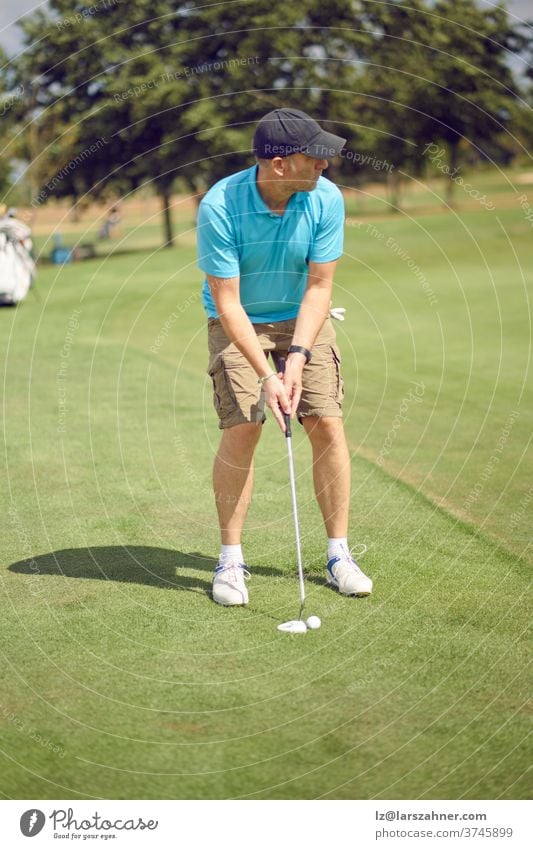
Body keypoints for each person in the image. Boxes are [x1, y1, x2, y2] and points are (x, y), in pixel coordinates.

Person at [197, 108, 373, 606]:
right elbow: (227, 303)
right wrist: (266, 377)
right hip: (239, 322)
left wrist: (294, 361)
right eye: (314, 156)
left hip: (303, 317)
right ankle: (230, 560)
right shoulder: (220, 207)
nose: (325, 165)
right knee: (244, 426)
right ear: (278, 164)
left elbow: (320, 286)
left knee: (327, 422)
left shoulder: (325, 199)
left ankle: (338, 555)